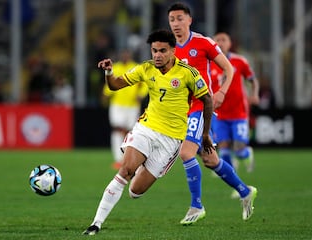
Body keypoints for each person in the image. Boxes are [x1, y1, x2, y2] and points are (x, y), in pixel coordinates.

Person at [83, 29, 215, 235]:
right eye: (154, 50)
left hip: (171, 140)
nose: (157, 55)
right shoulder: (146, 68)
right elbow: (115, 85)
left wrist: (205, 134)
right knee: (125, 170)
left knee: (135, 191)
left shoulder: (187, 73)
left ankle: (139, 165)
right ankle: (96, 224)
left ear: (173, 51)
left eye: (162, 50)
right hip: (146, 129)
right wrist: (109, 72)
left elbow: (207, 100)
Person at [167, 2, 257, 225]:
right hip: (181, 111)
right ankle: (245, 191)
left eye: (180, 18)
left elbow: (229, 68)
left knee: (186, 154)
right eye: (172, 20)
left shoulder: (204, 43)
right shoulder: (168, 49)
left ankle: (196, 206)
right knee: (209, 159)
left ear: (189, 20)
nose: (176, 24)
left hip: (200, 107)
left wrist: (222, 92)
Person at [211, 32, 260, 174]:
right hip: (219, 113)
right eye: (217, 40)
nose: (220, 43)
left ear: (229, 43)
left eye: (224, 40)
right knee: (223, 147)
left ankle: (246, 154)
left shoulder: (240, 61)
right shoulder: (210, 63)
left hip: (238, 112)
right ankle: (232, 176)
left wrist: (255, 94)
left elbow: (252, 80)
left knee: (239, 150)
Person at [102, 49, 148, 170]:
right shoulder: (115, 67)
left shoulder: (136, 67)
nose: (125, 56)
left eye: (127, 54)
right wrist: (106, 94)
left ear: (130, 55)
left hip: (132, 105)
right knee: (117, 129)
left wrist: (141, 94)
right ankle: (118, 159)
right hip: (117, 104)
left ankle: (129, 159)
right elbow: (110, 82)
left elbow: (144, 84)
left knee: (131, 132)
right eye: (123, 54)